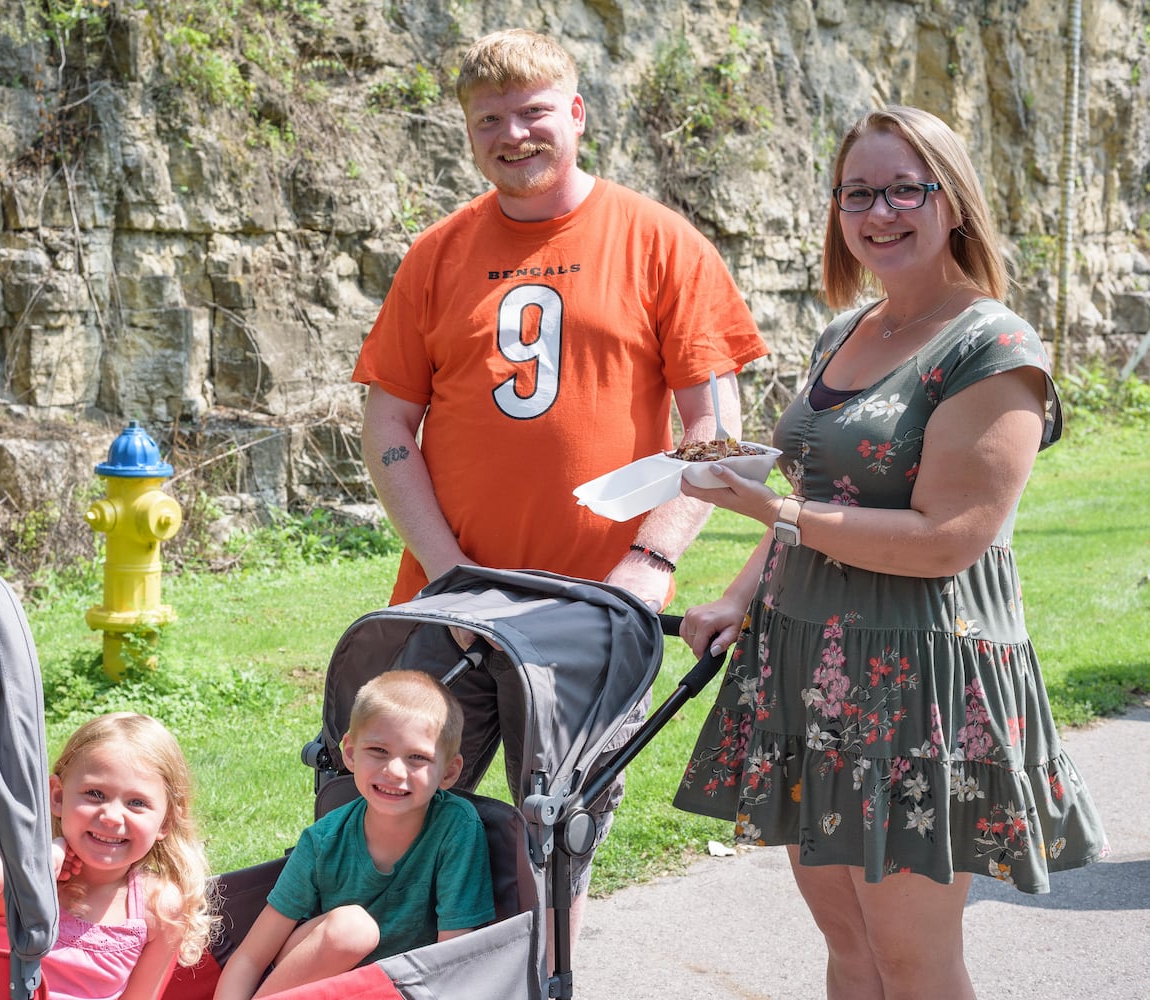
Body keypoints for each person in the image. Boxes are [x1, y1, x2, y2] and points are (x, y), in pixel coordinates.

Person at [671, 105, 1108, 999]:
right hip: (805, 663)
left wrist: (778, 511)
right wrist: (736, 596)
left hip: (915, 685)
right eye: (858, 192)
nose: (881, 212)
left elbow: (950, 541)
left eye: (906, 187)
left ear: (953, 202)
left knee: (913, 958)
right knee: (848, 944)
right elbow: (811, 497)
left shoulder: (994, 349)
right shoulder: (847, 332)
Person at [351, 27, 769, 942]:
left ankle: (547, 979)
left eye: (535, 112)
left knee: (560, 836)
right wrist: (445, 567)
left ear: (577, 113)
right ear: (467, 132)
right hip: (447, 602)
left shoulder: (660, 242)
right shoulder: (437, 254)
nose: (515, 134)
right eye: (488, 119)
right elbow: (388, 425)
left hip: (592, 607)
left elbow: (714, 433)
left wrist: (653, 558)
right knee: (392, 817)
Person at [213, 670, 495, 1000]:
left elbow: (452, 959)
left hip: (391, 988)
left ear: (448, 772)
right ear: (350, 753)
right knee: (353, 929)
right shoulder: (323, 840)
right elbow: (250, 957)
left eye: (417, 757)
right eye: (378, 750)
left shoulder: (456, 827)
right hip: (307, 979)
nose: (394, 771)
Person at [0, 713, 216, 1000]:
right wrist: (38, 863)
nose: (111, 816)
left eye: (137, 803)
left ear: (167, 821)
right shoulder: (25, 882)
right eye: (95, 793)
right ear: (57, 797)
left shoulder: (159, 906)